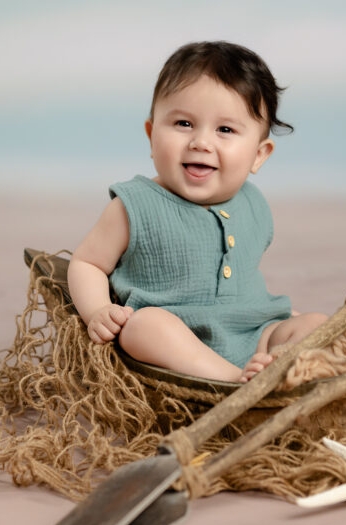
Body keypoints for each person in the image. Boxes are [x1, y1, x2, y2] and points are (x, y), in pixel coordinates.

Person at [68, 41, 327, 382]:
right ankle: (233, 379)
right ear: (151, 135)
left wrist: (284, 322)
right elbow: (87, 263)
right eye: (184, 124)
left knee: (316, 324)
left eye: (225, 130)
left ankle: (274, 370)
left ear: (259, 155)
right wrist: (98, 310)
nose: (201, 142)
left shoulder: (254, 205)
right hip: (177, 340)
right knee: (141, 327)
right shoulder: (135, 205)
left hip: (256, 334)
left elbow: (245, 286)